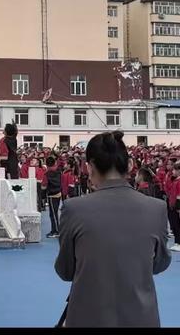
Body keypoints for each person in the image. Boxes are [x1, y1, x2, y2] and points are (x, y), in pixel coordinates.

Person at [55, 131, 171, 327]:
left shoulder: (73, 209)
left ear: (89, 167)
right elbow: (159, 264)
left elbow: (65, 270)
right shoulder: (156, 208)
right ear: (130, 165)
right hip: (141, 318)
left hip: (88, 318)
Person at [42, 156, 62, 237]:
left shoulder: (46, 174)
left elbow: (44, 186)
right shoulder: (58, 171)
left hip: (52, 195)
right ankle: (54, 230)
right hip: (58, 193)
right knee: (55, 213)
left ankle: (56, 231)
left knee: (53, 214)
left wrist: (43, 196)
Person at [165, 162, 180, 252]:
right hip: (172, 205)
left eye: (174, 170)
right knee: (174, 225)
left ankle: (178, 243)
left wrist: (178, 208)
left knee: (177, 225)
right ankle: (177, 242)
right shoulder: (175, 180)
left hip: (177, 206)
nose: (173, 171)